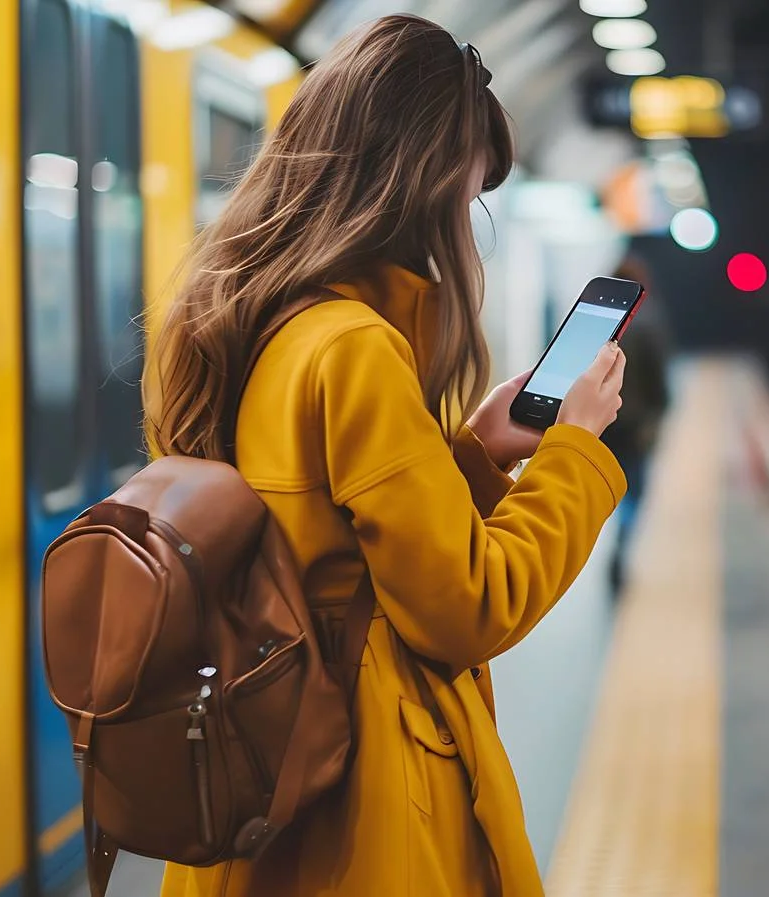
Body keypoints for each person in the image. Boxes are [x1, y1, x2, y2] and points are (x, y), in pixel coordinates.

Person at [145, 17, 627, 897]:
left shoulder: (244, 319)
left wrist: (477, 451)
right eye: (470, 194)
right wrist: (575, 451)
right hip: (359, 812)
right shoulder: (354, 347)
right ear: (423, 187)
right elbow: (468, 607)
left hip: (265, 769)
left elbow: (331, 536)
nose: (468, 220)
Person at [600, 258, 672, 593]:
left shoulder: (600, 323)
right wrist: (660, 415)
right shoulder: (649, 321)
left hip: (600, 422)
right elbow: (659, 380)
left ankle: (596, 544)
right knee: (632, 492)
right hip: (635, 425)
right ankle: (620, 547)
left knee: (599, 486)